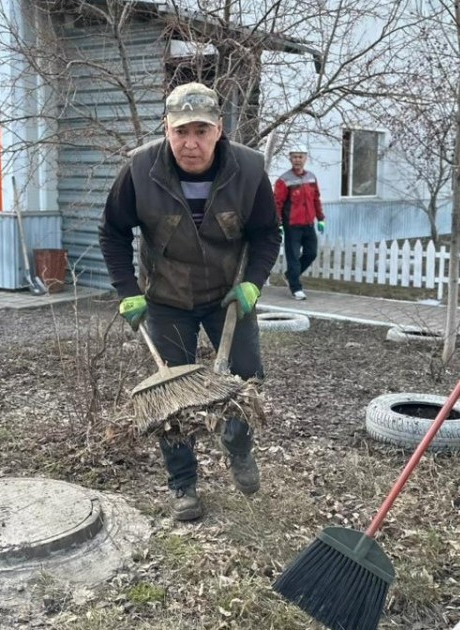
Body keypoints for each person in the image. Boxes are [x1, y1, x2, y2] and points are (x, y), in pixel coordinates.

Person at [98, 82, 282, 521]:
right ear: (167, 129)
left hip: (228, 297)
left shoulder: (249, 170)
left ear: (219, 129)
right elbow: (112, 233)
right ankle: (183, 484)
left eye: (201, 130)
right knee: (171, 398)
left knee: (244, 382)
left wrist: (253, 283)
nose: (190, 143)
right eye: (181, 131)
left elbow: (266, 234)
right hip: (166, 299)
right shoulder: (141, 170)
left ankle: (237, 449)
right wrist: (128, 292)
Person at [274, 147, 325, 300]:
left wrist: (321, 218)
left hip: (308, 224)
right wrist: (279, 223)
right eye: (294, 157)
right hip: (292, 226)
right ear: (290, 158)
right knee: (293, 257)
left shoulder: (311, 178)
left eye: (300, 157)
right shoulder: (284, 180)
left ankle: (290, 276)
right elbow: (277, 203)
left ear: (305, 158)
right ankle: (296, 288)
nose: (297, 159)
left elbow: (316, 199)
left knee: (311, 253)